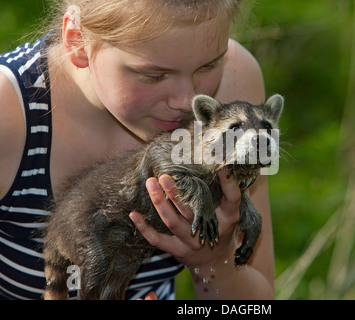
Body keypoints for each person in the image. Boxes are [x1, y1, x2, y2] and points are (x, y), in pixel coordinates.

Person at [0, 0, 274, 299]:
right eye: (153, 75)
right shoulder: (8, 114)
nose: (188, 101)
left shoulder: (234, 92)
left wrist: (213, 262)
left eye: (208, 65)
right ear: (78, 41)